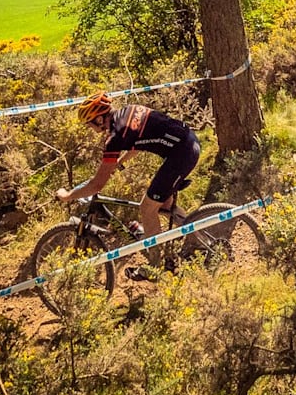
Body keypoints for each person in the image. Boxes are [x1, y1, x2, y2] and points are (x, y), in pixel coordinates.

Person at [55, 91, 201, 280]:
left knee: (147, 208)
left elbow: (97, 185)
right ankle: (200, 241)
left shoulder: (114, 137)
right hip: (188, 143)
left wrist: (68, 195)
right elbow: (138, 141)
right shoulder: (127, 112)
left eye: (89, 123)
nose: (89, 128)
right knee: (164, 206)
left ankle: (155, 268)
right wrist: (119, 163)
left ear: (99, 119)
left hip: (181, 154)